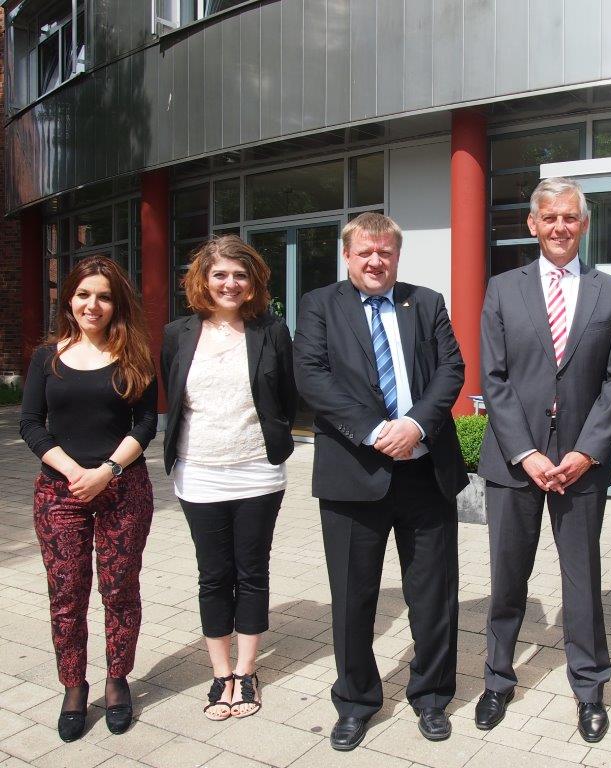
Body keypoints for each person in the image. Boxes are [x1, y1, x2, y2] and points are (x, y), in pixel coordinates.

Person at [293, 212, 467, 750]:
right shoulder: (320, 305)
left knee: (433, 594)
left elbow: (451, 370)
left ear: (397, 254)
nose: (375, 261)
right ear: (347, 256)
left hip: (424, 472)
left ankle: (432, 696)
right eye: (365, 252)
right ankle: (356, 700)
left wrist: (415, 423)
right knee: (352, 597)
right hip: (353, 473)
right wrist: (373, 431)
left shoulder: (428, 301)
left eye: (385, 252)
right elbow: (312, 377)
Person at [476, 177, 611, 743]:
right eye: (550, 218)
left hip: (579, 466)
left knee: (582, 579)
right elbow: (493, 379)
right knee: (507, 577)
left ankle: (590, 688)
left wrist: (586, 452)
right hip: (515, 463)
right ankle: (497, 678)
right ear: (532, 224)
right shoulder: (502, 288)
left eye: (571, 217)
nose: (561, 227)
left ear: (584, 225)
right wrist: (526, 453)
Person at [20, 256, 158, 742]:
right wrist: (75, 471)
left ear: (115, 301)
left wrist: (108, 471)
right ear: (69, 300)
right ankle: (73, 686)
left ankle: (117, 681)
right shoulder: (47, 357)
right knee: (66, 594)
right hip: (60, 491)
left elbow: (146, 424)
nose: (92, 304)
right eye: (83, 294)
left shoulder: (135, 354)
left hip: (124, 490)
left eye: (102, 296)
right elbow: (30, 423)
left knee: (120, 590)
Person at [161, 235, 297, 721]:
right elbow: (171, 396)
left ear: (253, 281)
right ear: (203, 278)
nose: (230, 283)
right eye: (220, 274)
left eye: (240, 275)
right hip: (198, 472)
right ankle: (220, 675)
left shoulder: (271, 331)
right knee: (213, 574)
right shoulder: (178, 333)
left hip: (258, 471)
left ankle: (246, 671)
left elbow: (287, 393)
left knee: (251, 571)